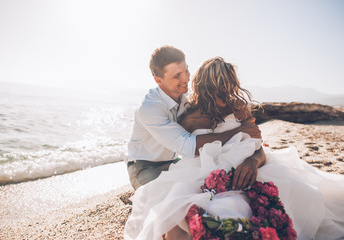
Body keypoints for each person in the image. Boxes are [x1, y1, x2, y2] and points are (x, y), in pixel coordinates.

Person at [124, 57, 344, 240]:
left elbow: (258, 147)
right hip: (201, 172)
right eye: (218, 88)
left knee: (301, 198)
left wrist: (252, 162)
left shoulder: (238, 109)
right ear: (204, 87)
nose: (225, 94)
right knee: (174, 216)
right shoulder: (188, 119)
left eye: (228, 87)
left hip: (250, 167)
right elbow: (182, 146)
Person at [126, 45, 262, 190]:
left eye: (186, 70)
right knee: (163, 197)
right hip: (146, 165)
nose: (185, 78)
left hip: (173, 161)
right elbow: (188, 145)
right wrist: (241, 132)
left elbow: (254, 139)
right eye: (177, 75)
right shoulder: (149, 108)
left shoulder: (188, 100)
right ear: (159, 80)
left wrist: (253, 157)